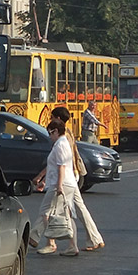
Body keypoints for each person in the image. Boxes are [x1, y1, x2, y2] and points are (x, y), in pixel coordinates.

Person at [38, 105, 105, 251]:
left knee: (55, 209)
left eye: (52, 118)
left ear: (58, 119)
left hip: (67, 176)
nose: (51, 120)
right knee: (78, 209)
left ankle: (48, 241)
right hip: (71, 175)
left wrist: (45, 178)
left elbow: (60, 162)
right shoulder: (67, 133)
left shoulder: (63, 136)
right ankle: (93, 239)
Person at [29, 119, 79, 256]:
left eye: (50, 133)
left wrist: (58, 185)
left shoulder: (60, 145)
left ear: (56, 131)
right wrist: (44, 180)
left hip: (61, 183)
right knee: (66, 214)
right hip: (65, 183)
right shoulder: (61, 143)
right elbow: (54, 167)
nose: (50, 137)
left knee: (46, 212)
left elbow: (61, 166)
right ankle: (72, 246)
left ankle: (51, 243)